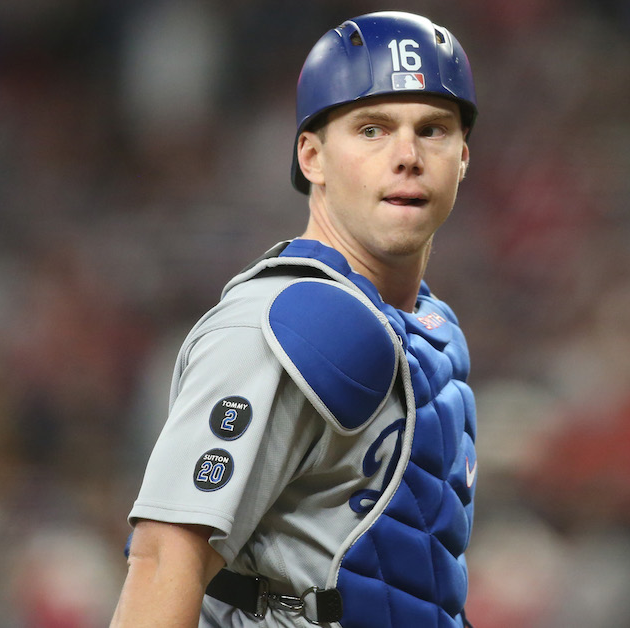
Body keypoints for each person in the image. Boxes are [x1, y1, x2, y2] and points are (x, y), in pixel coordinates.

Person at [111, 11, 479, 627]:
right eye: (372, 129)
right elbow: (160, 563)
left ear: (463, 157)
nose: (408, 155)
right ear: (312, 156)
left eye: (434, 130)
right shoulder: (283, 327)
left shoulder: (432, 331)